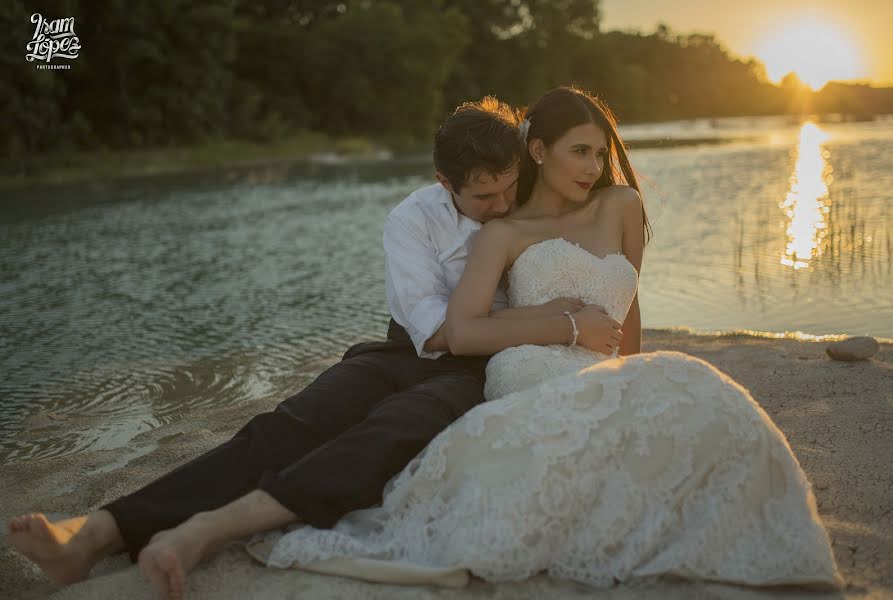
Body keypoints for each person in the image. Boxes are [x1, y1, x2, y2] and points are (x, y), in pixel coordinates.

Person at [6, 96, 624, 600]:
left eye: (507, 191)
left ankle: (205, 531)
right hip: (409, 347)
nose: (498, 208)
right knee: (293, 421)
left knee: (386, 431)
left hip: (485, 367)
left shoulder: (533, 203)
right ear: (444, 183)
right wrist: (544, 316)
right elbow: (438, 331)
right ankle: (97, 533)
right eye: (482, 198)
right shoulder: (413, 219)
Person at [244, 86, 845, 590]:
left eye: (599, 153)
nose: (591, 166)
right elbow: (460, 327)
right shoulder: (501, 231)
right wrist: (566, 325)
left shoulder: (622, 206)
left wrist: (630, 378)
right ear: (539, 149)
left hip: (598, 366)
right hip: (520, 368)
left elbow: (629, 309)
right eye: (579, 151)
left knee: (711, 403)